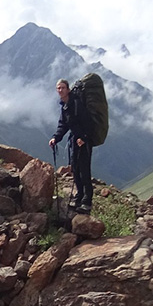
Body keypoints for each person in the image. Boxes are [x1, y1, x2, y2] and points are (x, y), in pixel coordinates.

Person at [49, 78, 93, 213]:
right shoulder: (65, 105)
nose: (60, 90)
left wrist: (83, 137)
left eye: (62, 88)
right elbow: (63, 124)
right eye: (58, 88)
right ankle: (79, 196)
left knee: (84, 170)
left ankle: (87, 201)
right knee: (75, 168)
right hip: (75, 140)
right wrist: (55, 138)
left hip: (83, 140)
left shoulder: (76, 103)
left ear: (68, 89)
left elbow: (86, 121)